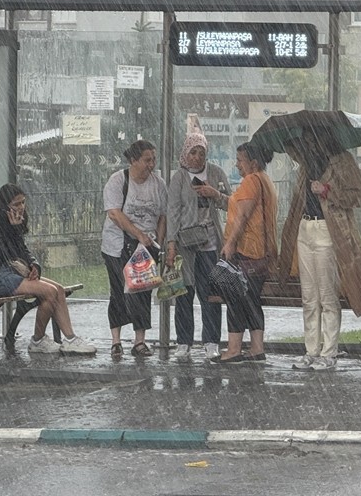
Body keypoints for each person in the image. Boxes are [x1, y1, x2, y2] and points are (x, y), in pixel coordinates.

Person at [275, 132, 361, 371]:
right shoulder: (305, 164)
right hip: (305, 228)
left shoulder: (342, 161)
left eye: (312, 137)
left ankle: (329, 352)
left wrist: (327, 190)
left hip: (328, 230)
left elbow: (357, 195)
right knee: (309, 296)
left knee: (327, 295)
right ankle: (311, 350)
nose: (309, 142)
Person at [0, 183, 94, 355]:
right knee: (49, 292)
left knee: (58, 290)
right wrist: (14, 229)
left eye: (23, 202)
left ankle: (68, 339)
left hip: (13, 272)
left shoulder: (17, 219)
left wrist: (34, 265)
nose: (21, 207)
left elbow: (22, 250)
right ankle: (39, 340)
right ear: (4, 205)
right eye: (16, 204)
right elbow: (5, 254)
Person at [165, 131, 231, 362]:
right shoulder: (179, 178)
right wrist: (171, 244)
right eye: (193, 152)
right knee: (184, 293)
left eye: (201, 153)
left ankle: (211, 340)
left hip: (211, 244)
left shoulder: (215, 173)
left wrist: (215, 194)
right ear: (185, 153)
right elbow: (173, 211)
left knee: (210, 293)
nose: (196, 157)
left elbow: (231, 204)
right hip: (185, 244)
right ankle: (184, 341)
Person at [102, 139, 167, 359]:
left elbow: (162, 216)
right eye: (147, 160)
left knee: (142, 291)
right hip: (117, 245)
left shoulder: (158, 184)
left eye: (154, 160)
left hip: (145, 247)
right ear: (133, 160)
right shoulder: (118, 180)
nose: (151, 165)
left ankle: (140, 341)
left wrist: (157, 242)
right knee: (119, 291)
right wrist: (137, 233)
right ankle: (116, 340)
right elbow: (114, 213)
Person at [214, 141, 277, 365]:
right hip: (261, 251)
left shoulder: (251, 181)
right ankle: (257, 348)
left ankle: (233, 349)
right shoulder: (265, 181)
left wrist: (230, 243)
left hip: (247, 250)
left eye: (240, 160)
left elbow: (242, 216)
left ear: (253, 163)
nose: (237, 164)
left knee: (235, 299)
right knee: (251, 300)